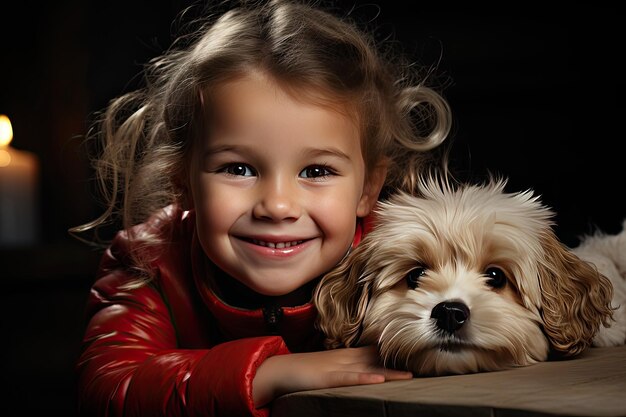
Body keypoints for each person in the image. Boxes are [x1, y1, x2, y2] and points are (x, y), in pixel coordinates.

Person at [72, 0, 452, 416]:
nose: (278, 205)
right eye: (238, 168)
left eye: (317, 170)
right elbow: (109, 387)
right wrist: (269, 372)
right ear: (182, 181)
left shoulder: (404, 259)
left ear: (368, 189)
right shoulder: (148, 260)